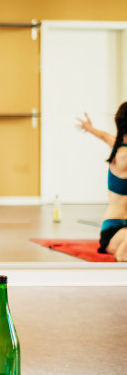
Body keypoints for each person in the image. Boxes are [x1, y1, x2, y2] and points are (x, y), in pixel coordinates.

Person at [76, 102, 127, 261]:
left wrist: (90, 128)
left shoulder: (118, 145)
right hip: (114, 231)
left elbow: (105, 136)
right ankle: (121, 256)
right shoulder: (124, 156)